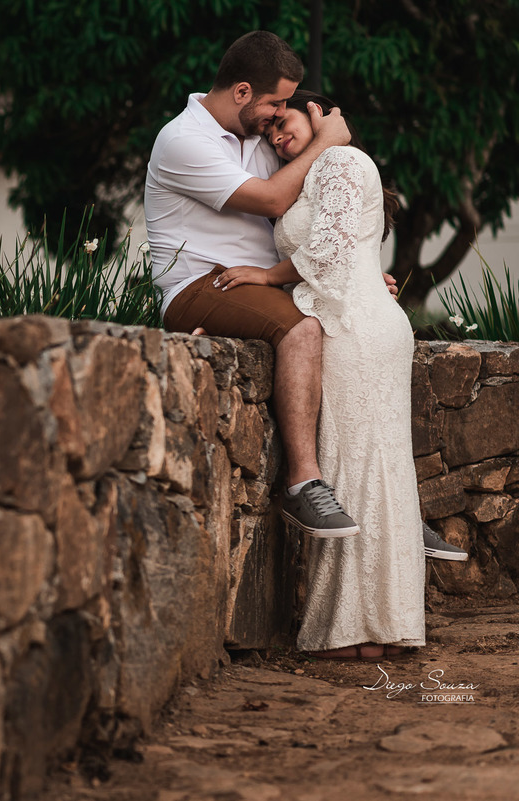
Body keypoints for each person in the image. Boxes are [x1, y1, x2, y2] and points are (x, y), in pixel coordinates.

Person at [214, 91, 425, 658]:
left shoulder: (342, 160)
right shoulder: (314, 174)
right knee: (364, 469)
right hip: (351, 322)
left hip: (358, 332)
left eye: (282, 121)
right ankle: (377, 626)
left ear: (317, 113)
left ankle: (357, 627)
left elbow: (329, 253)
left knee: (359, 470)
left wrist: (264, 277)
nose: (276, 136)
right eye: (269, 133)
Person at [145, 31, 362, 539]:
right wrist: (328, 142)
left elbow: (311, 219)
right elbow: (270, 200)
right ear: (241, 91)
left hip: (261, 287)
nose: (280, 114)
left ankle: (378, 492)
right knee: (303, 329)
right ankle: (302, 485)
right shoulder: (182, 140)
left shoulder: (260, 140)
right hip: (200, 285)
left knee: (359, 334)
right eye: (275, 103)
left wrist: (359, 277)